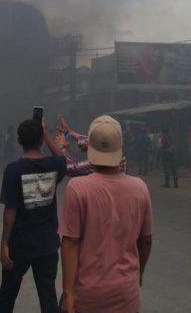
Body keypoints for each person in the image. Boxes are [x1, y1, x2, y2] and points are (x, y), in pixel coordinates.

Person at [0, 117, 120, 313]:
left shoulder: (14, 170)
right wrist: (47, 134)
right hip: (47, 245)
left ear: (19, 141)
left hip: (19, 245)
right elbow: (63, 160)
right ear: (41, 141)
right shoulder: (53, 166)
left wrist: (4, 243)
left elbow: (10, 210)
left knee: (7, 296)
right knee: (48, 297)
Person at [59, 115, 153, 313]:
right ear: (122, 149)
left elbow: (70, 243)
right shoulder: (140, 188)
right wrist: (140, 272)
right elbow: (145, 240)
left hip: (88, 296)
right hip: (127, 295)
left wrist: (68, 292)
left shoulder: (77, 188)